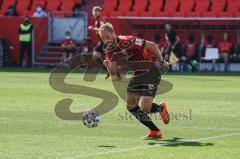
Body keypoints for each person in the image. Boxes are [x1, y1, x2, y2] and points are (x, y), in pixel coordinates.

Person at [99, 23, 170, 138]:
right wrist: (108, 66)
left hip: (150, 72)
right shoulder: (110, 50)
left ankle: (161, 108)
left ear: (113, 33)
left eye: (107, 36)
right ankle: (155, 131)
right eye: (103, 39)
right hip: (137, 74)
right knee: (131, 106)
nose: (106, 40)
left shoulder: (127, 41)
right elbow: (116, 76)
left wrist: (162, 62)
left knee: (145, 108)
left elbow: (151, 45)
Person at [88, 6, 112, 79]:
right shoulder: (97, 20)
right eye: (93, 11)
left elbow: (103, 30)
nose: (94, 13)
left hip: (104, 42)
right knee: (95, 57)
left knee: (107, 58)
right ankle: (108, 70)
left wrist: (93, 28)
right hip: (101, 42)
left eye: (96, 11)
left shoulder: (100, 20)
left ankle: (113, 71)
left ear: (99, 12)